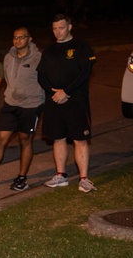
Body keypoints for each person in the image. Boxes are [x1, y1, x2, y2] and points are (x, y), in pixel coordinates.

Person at [0, 28, 44, 191]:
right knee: (0, 140)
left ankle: (21, 178)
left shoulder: (39, 58)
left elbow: (46, 80)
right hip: (10, 104)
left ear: (30, 39)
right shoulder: (8, 57)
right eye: (15, 37)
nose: (18, 40)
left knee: (25, 140)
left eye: (22, 37)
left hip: (31, 106)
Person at [37, 14, 97, 191]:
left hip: (76, 101)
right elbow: (41, 75)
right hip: (54, 100)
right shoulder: (49, 50)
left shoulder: (82, 47)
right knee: (58, 138)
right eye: (55, 28)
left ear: (70, 27)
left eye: (61, 28)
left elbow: (85, 73)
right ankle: (61, 175)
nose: (57, 32)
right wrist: (53, 92)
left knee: (80, 140)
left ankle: (84, 179)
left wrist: (66, 91)